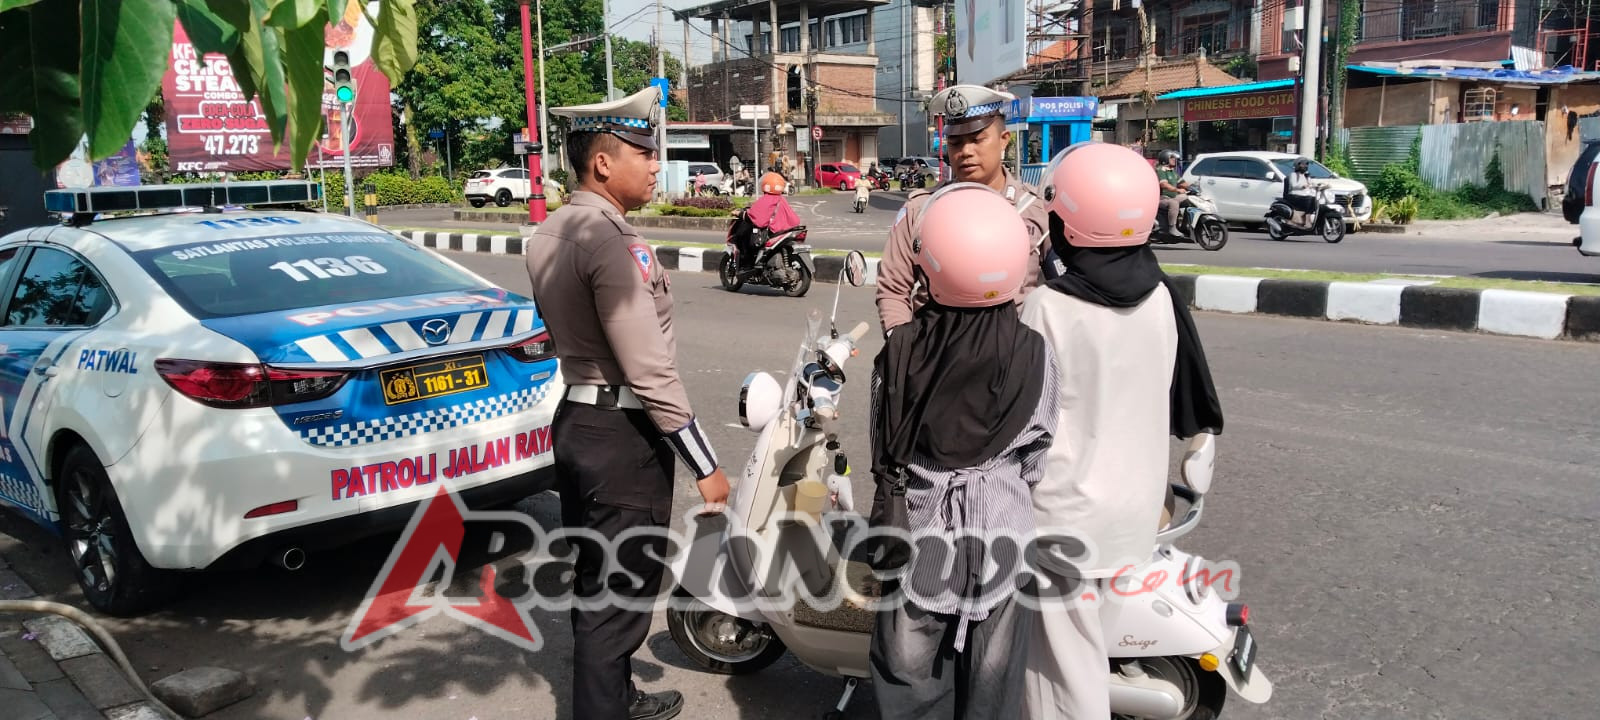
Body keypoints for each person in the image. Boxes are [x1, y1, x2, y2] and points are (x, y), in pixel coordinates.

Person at [525, 85, 731, 720]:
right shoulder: (611, 239)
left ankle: (615, 696)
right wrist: (705, 463)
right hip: (623, 439)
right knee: (621, 597)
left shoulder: (549, 230)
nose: (653, 165)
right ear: (604, 163)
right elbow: (650, 370)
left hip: (578, 421)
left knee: (598, 580)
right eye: (643, 152)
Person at [1020, 142, 1224, 720]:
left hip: (1063, 519)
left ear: (1071, 226)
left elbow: (1022, 420)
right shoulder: (1161, 296)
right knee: (1086, 656)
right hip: (1136, 513)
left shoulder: (1048, 307)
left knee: (1062, 679)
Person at [868, 183, 1058, 720]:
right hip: (1004, 537)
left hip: (921, 539)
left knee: (907, 678)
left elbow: (885, 450)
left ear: (930, 266)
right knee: (994, 690)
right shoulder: (1035, 352)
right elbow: (1036, 455)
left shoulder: (899, 352)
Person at [877, 85, 1050, 334]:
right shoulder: (921, 210)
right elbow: (893, 289)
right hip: (937, 358)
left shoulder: (1035, 210)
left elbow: (1062, 290)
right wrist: (902, 352)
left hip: (1015, 360)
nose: (966, 152)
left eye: (977, 139)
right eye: (956, 142)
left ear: (1004, 140)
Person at [740, 171, 801, 268]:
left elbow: (757, 219)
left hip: (774, 234)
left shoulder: (766, 199)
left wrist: (740, 213)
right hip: (786, 232)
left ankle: (750, 264)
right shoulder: (781, 199)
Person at [1155, 149, 1189, 237]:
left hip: (1172, 197)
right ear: (1165, 159)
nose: (1174, 160)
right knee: (1173, 203)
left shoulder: (1172, 171)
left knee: (1188, 198)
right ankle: (1172, 227)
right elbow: (1164, 185)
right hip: (1162, 198)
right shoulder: (1161, 170)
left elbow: (1183, 183)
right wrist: (1177, 190)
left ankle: (1185, 224)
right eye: (1172, 158)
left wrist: (1193, 187)